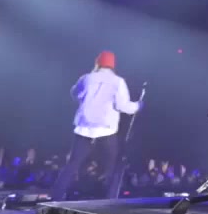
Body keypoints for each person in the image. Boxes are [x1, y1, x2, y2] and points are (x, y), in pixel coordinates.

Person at [49, 51, 142, 201]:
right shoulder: (118, 81)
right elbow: (122, 106)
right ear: (113, 65)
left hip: (84, 127)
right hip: (106, 129)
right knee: (112, 166)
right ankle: (110, 199)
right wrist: (138, 106)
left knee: (72, 164)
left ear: (97, 63)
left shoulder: (86, 78)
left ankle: (55, 197)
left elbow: (74, 93)